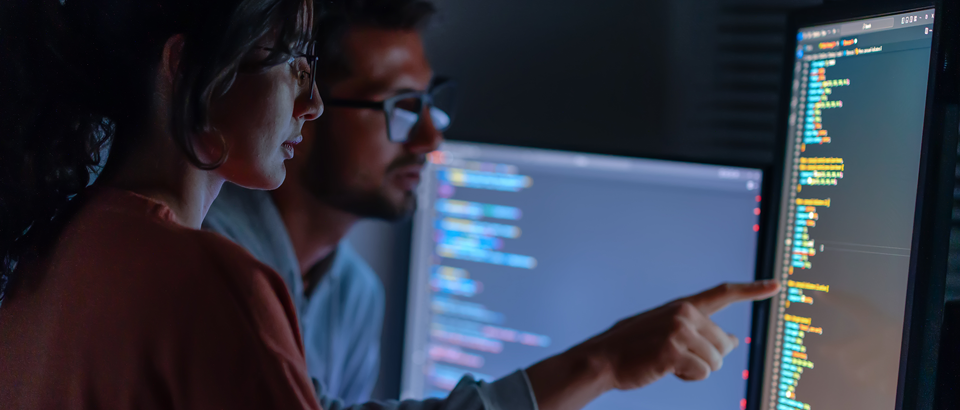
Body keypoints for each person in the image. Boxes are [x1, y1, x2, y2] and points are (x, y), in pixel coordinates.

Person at [201, 1, 782, 410]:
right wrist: (601, 363)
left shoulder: (354, 294)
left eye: (432, 102)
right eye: (402, 105)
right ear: (307, 103)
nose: (430, 138)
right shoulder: (211, 262)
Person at [0, 0, 325, 408]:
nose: (313, 104)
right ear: (187, 66)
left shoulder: (40, 260)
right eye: (294, 59)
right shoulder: (218, 290)